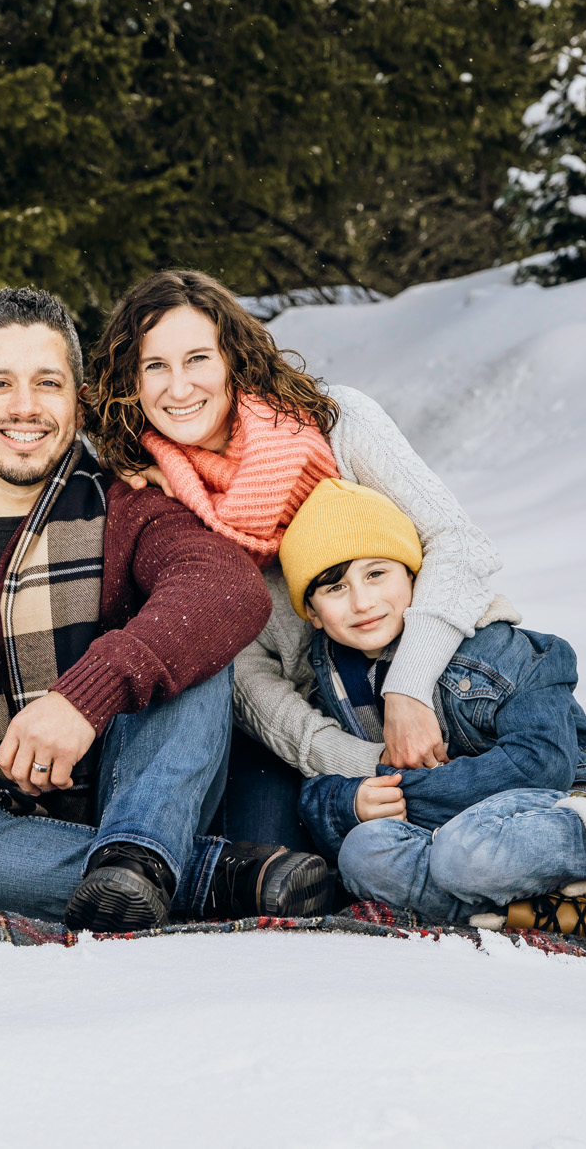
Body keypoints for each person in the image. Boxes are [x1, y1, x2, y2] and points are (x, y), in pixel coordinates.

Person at [0, 288, 331, 932]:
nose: (24, 407)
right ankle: (202, 878)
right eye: (0, 383)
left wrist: (86, 696)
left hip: (134, 798)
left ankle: (141, 857)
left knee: (192, 635)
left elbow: (228, 587)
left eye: (48, 383)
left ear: (78, 403)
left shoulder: (126, 502)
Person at [83, 269, 503, 848]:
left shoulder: (339, 426)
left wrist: (408, 688)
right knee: (276, 859)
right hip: (303, 739)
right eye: (156, 366)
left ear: (234, 358)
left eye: (198, 358)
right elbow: (245, 677)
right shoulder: (161, 495)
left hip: (435, 684)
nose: (178, 388)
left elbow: (459, 544)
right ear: (130, 380)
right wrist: (365, 762)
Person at [273, 478, 586, 954]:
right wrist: (350, 803)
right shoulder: (330, 677)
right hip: (452, 830)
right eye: (335, 588)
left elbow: (542, 765)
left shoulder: (490, 646)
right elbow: (319, 784)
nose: (362, 602)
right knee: (364, 853)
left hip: (560, 803)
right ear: (311, 613)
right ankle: (580, 914)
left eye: (377, 574)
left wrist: (400, 787)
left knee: (466, 853)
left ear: (415, 575)